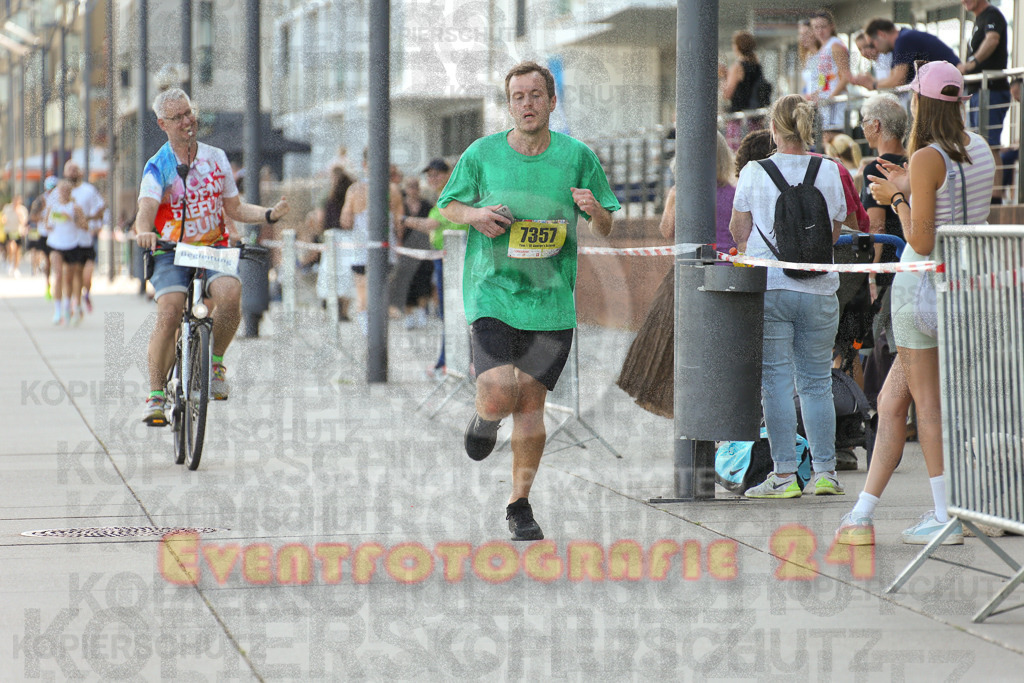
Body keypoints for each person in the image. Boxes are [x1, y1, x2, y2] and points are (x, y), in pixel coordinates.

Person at [437, 61, 620, 541]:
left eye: (536, 95)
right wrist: (474, 214)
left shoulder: (577, 156)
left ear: (552, 101)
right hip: (492, 291)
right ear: (509, 104)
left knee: (531, 404)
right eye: (518, 97)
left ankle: (519, 504)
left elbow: (607, 224)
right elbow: (447, 206)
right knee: (500, 391)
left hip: (551, 300)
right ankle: (485, 415)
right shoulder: (482, 154)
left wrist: (594, 210)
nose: (527, 104)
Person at [836, 61, 994, 546]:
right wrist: (910, 185)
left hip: (921, 294)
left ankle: (946, 514)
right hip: (968, 287)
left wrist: (894, 197)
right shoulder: (981, 148)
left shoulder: (927, 157)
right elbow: (956, 205)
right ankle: (862, 514)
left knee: (925, 406)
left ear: (920, 104)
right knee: (890, 401)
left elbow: (920, 239)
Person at [135, 86, 289, 426]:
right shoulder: (157, 165)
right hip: (170, 250)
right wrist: (144, 231)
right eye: (178, 118)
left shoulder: (215, 157)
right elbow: (145, 210)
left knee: (231, 295)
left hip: (212, 247)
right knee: (171, 310)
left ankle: (215, 360)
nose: (187, 122)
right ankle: (156, 395)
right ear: (163, 124)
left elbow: (234, 207)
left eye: (189, 113)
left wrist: (267, 215)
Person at [729, 94, 847, 499]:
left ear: (774, 130)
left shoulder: (753, 172)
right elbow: (833, 233)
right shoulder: (829, 170)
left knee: (776, 383)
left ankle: (783, 477)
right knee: (816, 383)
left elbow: (738, 230)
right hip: (820, 290)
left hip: (772, 288)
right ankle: (826, 472)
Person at [616, 132, 735, 418]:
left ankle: (688, 415)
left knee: (674, 351)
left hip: (688, 276)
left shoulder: (681, 191)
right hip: (730, 277)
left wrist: (674, 198)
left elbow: (668, 231)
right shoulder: (736, 190)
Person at [402, 158, 470, 377]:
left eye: (437, 174)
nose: (432, 178)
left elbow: (430, 224)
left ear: (450, 172)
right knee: (449, 312)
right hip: (445, 258)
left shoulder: (453, 194)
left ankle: (449, 363)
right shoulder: (446, 194)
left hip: (453, 259)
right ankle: (448, 361)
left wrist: (403, 219)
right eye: (429, 175)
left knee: (452, 312)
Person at [339, 150, 404, 335]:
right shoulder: (392, 189)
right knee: (381, 293)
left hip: (361, 248)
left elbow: (345, 221)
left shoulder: (354, 190)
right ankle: (377, 331)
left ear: (365, 165)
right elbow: (400, 222)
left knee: (362, 293)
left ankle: (368, 332)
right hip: (385, 248)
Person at [959, 0, 1010, 204]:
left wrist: (972, 63)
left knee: (990, 145)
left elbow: (993, 39)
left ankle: (995, 198)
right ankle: (990, 196)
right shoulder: (980, 18)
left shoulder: (991, 15)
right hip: (980, 90)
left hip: (991, 90)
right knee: (982, 145)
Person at [861, 19, 960, 90]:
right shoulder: (901, 40)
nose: (873, 49)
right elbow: (893, 78)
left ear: (881, 34)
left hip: (950, 87)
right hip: (948, 86)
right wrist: (874, 83)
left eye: (872, 44)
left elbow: (898, 80)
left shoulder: (903, 40)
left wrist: (873, 85)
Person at [391, 175, 435, 329]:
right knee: (407, 282)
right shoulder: (401, 206)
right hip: (406, 250)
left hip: (424, 249)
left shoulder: (427, 205)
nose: (413, 189)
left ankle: (422, 311)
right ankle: (409, 314)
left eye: (415, 186)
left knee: (424, 282)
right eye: (410, 186)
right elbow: (397, 228)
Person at [44, 180, 88, 325]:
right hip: (56, 244)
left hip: (72, 244)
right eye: (60, 191)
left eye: (65, 191)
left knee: (69, 278)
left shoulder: (75, 207)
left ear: (69, 192)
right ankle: (57, 311)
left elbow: (84, 226)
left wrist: (71, 219)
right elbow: (46, 225)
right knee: (58, 275)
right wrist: (51, 225)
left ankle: (68, 307)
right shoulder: (53, 207)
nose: (62, 193)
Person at [65, 161, 106, 313]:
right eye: (69, 170)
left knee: (86, 276)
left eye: (75, 169)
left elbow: (100, 209)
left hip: (87, 239)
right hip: (69, 241)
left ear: (81, 172)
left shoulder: (89, 190)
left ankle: (86, 294)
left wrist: (94, 224)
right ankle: (76, 303)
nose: (72, 173)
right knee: (74, 273)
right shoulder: (62, 192)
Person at [808, 10, 852, 144]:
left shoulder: (835, 45)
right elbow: (824, 77)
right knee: (826, 142)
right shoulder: (823, 48)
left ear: (831, 26)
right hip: (825, 103)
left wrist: (831, 96)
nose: (820, 31)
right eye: (816, 27)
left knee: (834, 142)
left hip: (834, 103)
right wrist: (817, 93)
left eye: (823, 27)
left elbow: (846, 76)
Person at [2, 195, 28, 276]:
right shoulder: (7, 207)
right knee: (11, 247)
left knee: (17, 251)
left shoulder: (22, 209)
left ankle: (15, 268)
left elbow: (24, 222)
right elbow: (3, 218)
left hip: (18, 232)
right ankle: (10, 263)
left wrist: (18, 214)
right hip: (9, 231)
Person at [798, 19, 821, 100]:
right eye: (801, 34)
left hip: (822, 101)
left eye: (806, 33)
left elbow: (825, 78)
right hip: (810, 101)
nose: (803, 37)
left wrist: (819, 92)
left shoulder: (823, 55)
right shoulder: (808, 57)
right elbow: (809, 83)